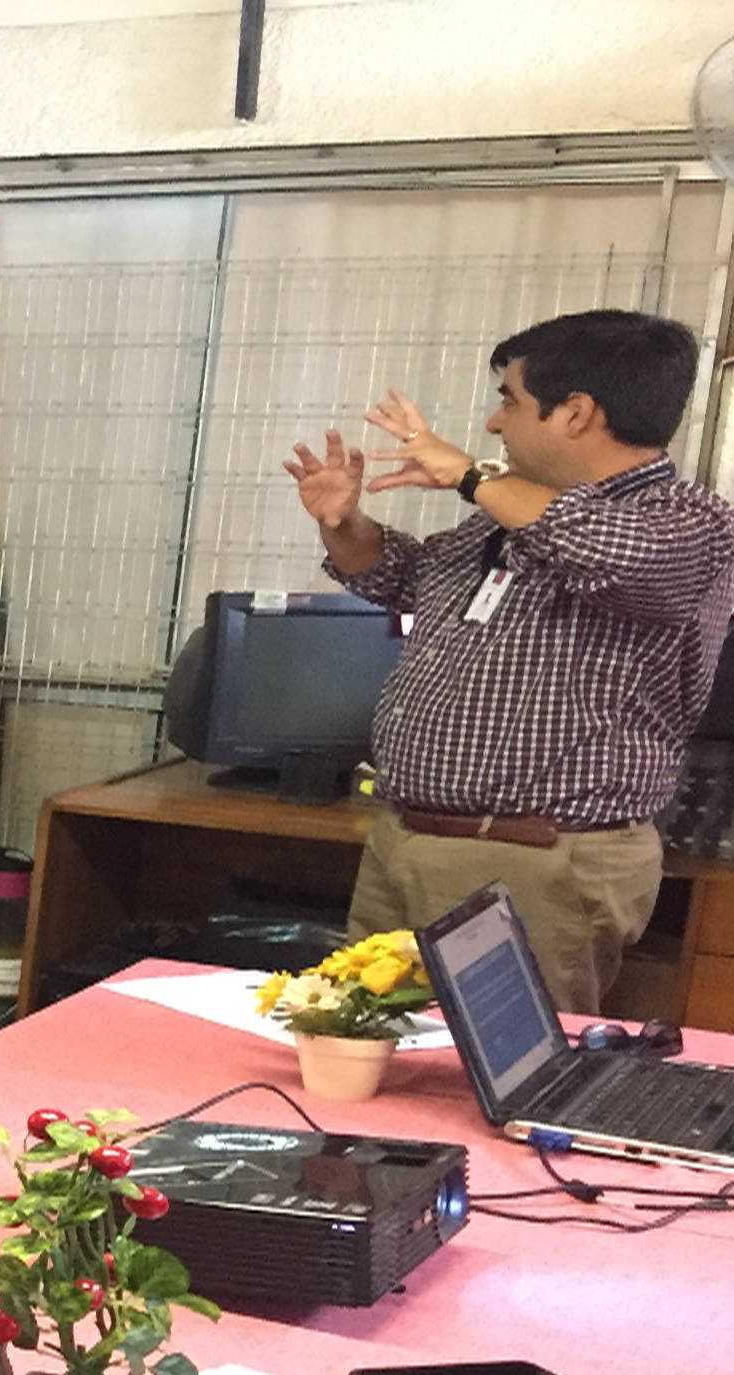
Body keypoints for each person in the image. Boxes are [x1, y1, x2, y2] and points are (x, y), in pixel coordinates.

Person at [284, 309, 734, 1013]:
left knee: (501, 1089)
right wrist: (346, 525)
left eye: (509, 401)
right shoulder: (502, 512)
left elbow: (610, 555)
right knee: (362, 1049)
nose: (494, 425)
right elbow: (407, 577)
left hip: (534, 860)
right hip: (406, 838)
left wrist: (466, 473)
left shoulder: (686, 520)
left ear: (576, 412)